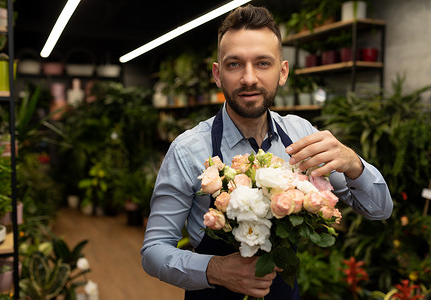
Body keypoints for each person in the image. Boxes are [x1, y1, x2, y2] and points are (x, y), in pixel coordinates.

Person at [141, 5, 393, 300]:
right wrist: (215, 269)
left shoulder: (303, 136)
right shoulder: (188, 150)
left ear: (282, 72)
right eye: (234, 64)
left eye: (263, 63)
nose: (249, 78)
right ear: (217, 74)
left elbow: (380, 210)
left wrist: (354, 165)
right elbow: (154, 251)